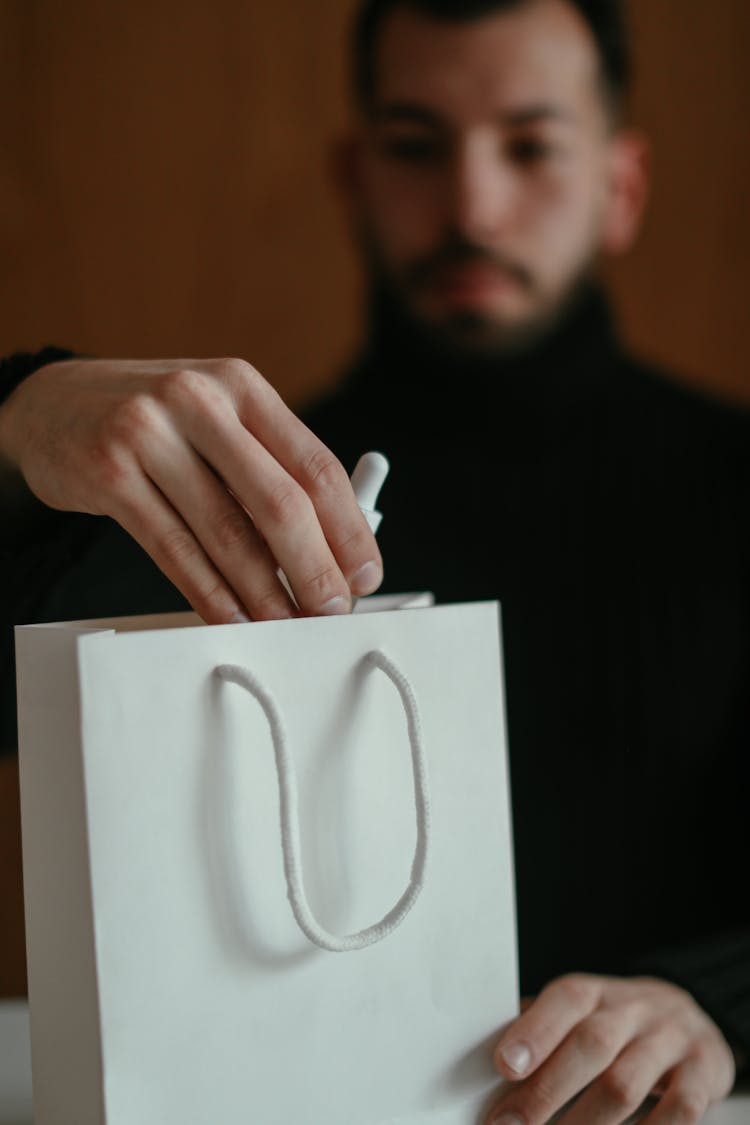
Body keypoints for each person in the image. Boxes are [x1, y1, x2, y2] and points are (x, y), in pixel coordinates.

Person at [1, 1, 748, 1121]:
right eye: (416, 144)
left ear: (621, 187)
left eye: (532, 146)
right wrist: (11, 429)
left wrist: (714, 1007)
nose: (472, 205)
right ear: (352, 174)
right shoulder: (209, 501)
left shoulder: (734, 490)